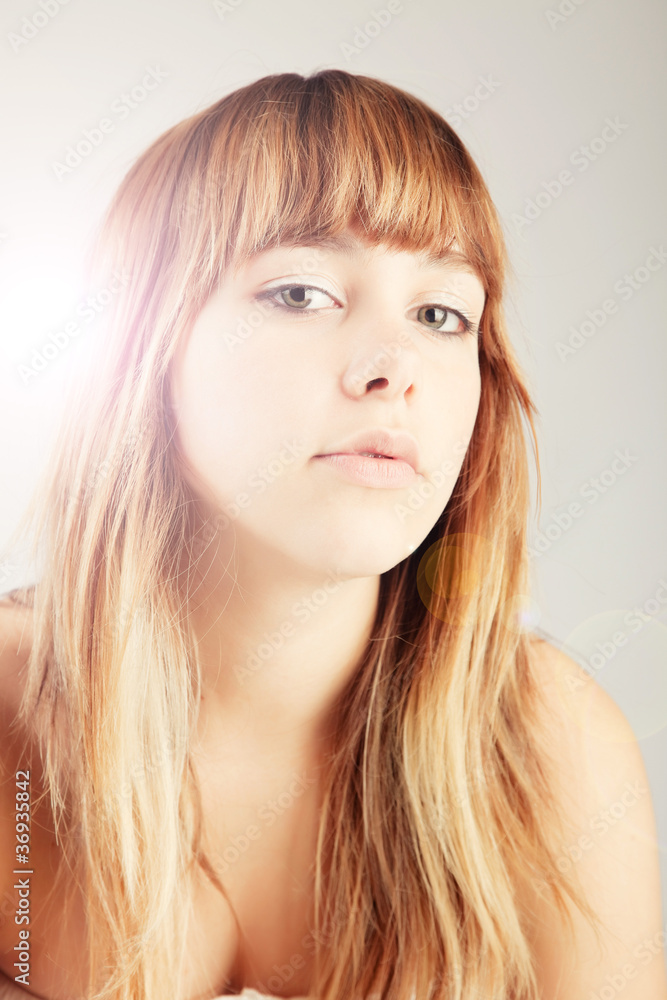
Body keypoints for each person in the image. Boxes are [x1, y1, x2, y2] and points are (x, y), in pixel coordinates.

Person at [0, 69, 664, 1000]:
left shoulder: (553, 748)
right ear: (143, 348)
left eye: (440, 314)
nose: (394, 366)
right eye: (301, 293)